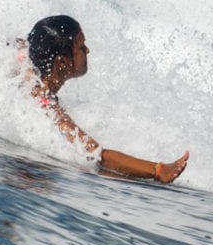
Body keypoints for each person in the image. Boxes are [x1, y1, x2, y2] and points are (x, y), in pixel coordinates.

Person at [20, 15, 188, 184]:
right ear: (61, 61)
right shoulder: (44, 102)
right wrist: (157, 170)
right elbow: (93, 155)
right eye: (81, 47)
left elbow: (21, 45)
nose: (87, 51)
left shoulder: (26, 65)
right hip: (28, 171)